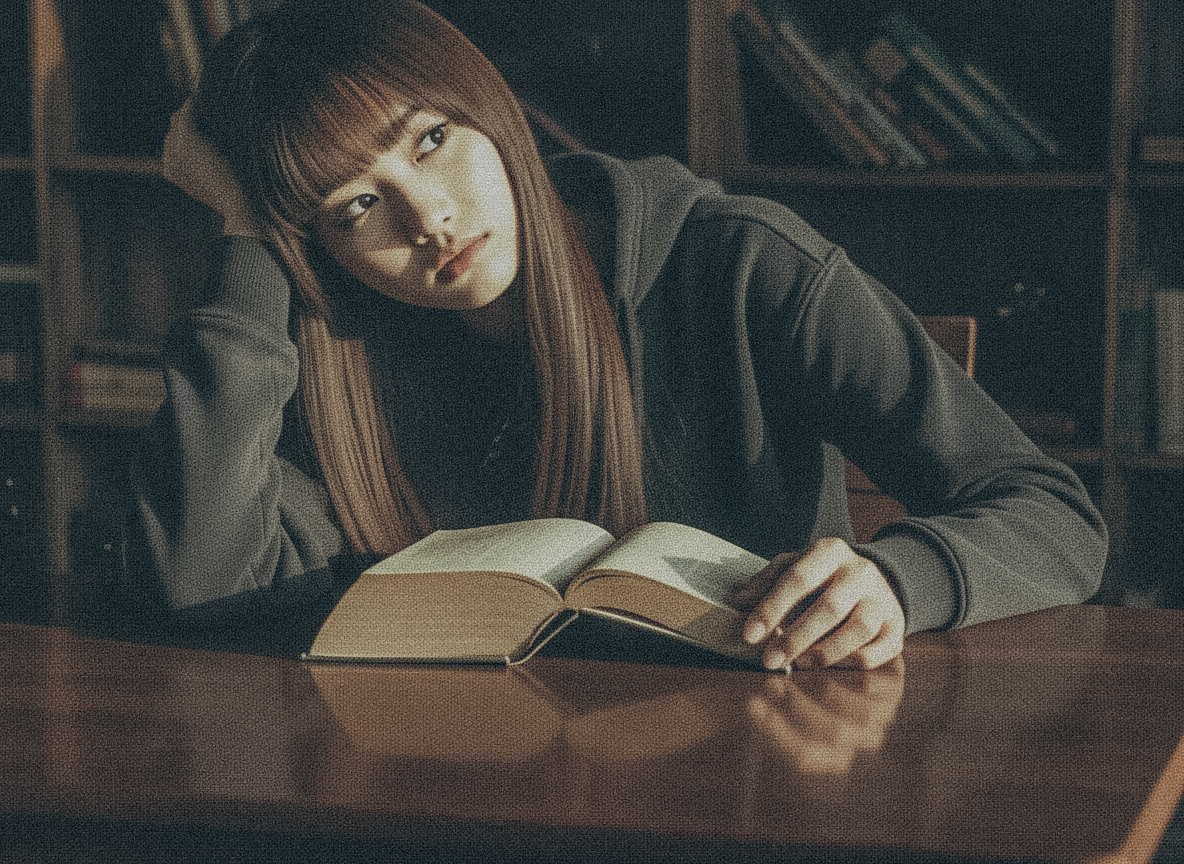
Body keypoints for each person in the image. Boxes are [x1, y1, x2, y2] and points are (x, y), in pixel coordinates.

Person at [124, 0, 1107, 670]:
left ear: (493, 116)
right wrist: (246, 234)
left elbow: (1049, 510)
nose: (427, 219)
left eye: (430, 140)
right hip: (451, 787)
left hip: (765, 771)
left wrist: (898, 579)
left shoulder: (733, 263)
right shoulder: (331, 342)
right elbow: (205, 589)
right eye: (356, 206)